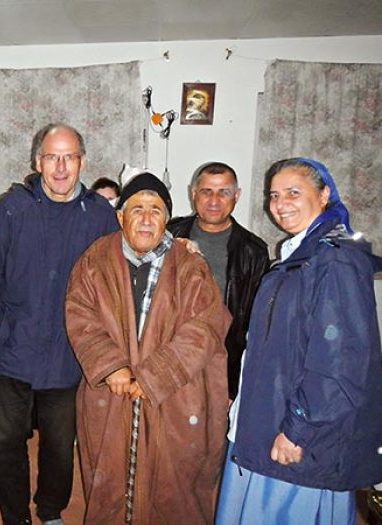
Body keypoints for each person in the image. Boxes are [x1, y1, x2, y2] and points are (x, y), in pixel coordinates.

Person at [0, 123, 119, 525]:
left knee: (58, 445)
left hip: (69, 354)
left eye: (70, 157)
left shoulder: (100, 215)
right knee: (5, 443)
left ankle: (50, 510)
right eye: (53, 157)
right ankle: (15, 516)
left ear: (82, 162)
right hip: (12, 349)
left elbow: (126, 268)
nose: (61, 166)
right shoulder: (12, 209)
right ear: (38, 162)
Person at [216, 158, 382, 525]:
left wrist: (298, 431)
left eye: (294, 192)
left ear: (324, 195)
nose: (280, 203)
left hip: (297, 441)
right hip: (270, 422)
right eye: (274, 195)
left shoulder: (335, 263)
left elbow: (340, 365)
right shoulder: (299, 258)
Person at [65, 171, 230, 524]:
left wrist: (154, 375)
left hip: (175, 396)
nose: (145, 218)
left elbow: (205, 327)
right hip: (113, 393)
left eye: (155, 210)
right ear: (120, 216)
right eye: (136, 208)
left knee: (174, 484)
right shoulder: (95, 259)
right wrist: (111, 366)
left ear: (166, 219)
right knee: (108, 476)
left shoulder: (190, 265)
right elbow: (80, 315)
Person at [168, 162, 269, 398]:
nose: (214, 201)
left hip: (223, 364)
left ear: (237, 195)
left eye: (224, 192)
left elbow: (257, 322)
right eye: (206, 191)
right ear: (193, 194)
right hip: (170, 359)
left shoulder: (253, 251)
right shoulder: (169, 235)